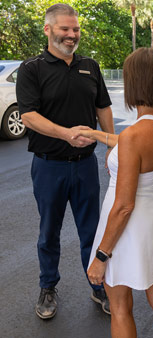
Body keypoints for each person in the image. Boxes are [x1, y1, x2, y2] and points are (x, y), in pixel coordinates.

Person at [73, 47, 153, 338]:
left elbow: (123, 206)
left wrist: (101, 255)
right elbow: (135, 142)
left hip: (125, 226)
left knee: (120, 306)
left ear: (135, 82)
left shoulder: (136, 134)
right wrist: (98, 134)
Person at [16, 3, 114, 319]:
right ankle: (47, 287)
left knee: (92, 232)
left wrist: (112, 145)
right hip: (48, 166)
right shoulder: (32, 69)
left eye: (75, 30)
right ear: (48, 29)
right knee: (49, 233)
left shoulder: (91, 66)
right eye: (65, 29)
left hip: (85, 165)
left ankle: (98, 287)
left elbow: (103, 107)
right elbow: (28, 116)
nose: (72, 35)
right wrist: (65, 134)